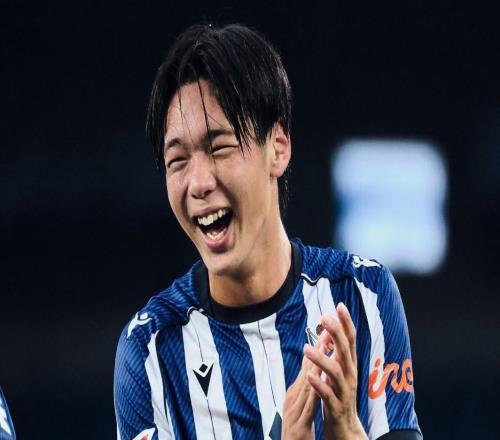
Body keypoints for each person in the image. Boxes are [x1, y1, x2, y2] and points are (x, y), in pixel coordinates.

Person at [114, 23, 422, 440]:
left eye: (219, 147)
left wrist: (348, 430)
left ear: (278, 147)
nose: (198, 183)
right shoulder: (151, 349)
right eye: (177, 161)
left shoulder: (362, 295)